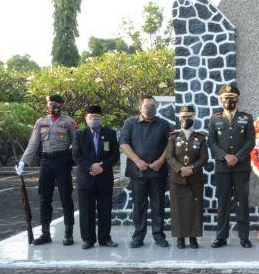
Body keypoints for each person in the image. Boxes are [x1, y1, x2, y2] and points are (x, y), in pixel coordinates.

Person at [16, 94, 77, 245]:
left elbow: (77, 144)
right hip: (46, 162)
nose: (52, 106)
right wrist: (23, 162)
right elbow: (33, 144)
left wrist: (73, 160)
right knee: (44, 198)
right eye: (50, 104)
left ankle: (68, 233)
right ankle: (45, 233)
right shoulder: (41, 121)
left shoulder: (69, 122)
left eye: (55, 104)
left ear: (61, 105)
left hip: (62, 161)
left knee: (66, 197)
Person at [120, 95, 173, 248]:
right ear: (140, 107)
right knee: (139, 206)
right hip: (138, 173)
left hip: (158, 172)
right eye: (147, 105)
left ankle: (159, 236)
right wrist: (138, 161)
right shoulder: (130, 123)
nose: (150, 108)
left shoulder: (164, 124)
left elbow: (171, 144)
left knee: (158, 206)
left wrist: (161, 161)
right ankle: (138, 236)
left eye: (152, 106)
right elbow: (124, 144)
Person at [207, 84, 255, 248]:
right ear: (221, 100)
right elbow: (211, 142)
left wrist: (237, 157)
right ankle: (221, 237)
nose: (229, 101)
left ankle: (244, 237)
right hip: (223, 167)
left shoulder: (246, 118)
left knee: (242, 202)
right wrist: (225, 156)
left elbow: (250, 141)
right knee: (223, 203)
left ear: (237, 100)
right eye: (225, 98)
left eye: (232, 98)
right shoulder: (215, 119)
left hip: (241, 167)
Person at [72, 105, 120, 249]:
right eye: (91, 117)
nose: (94, 119)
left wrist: (102, 167)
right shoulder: (79, 134)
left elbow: (115, 155)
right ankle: (88, 239)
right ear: (86, 119)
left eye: (97, 117)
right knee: (86, 211)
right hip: (85, 179)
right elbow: (76, 155)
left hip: (104, 178)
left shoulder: (110, 133)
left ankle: (105, 238)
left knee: (105, 210)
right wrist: (91, 167)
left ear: (101, 118)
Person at [166, 105, 208, 249]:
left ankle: (193, 237)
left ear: (194, 118)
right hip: (177, 180)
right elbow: (169, 157)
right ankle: (180, 237)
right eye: (183, 117)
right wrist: (180, 169)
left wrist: (191, 169)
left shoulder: (200, 137)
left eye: (189, 117)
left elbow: (204, 158)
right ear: (179, 118)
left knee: (194, 209)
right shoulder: (173, 137)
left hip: (195, 179)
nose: (186, 119)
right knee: (178, 210)